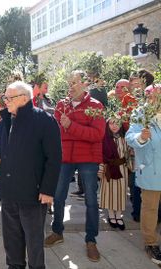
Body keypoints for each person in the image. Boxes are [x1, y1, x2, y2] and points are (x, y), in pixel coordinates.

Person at [0, 81, 61, 269]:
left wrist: (47, 190)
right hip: (9, 192)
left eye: (9, 97)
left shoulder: (44, 120)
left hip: (33, 193)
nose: (5, 101)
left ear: (24, 98)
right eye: (5, 97)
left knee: (33, 241)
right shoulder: (6, 120)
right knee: (12, 239)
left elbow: (54, 159)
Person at [45, 70, 105, 262]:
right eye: (69, 83)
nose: (70, 86)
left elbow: (98, 135)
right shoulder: (62, 105)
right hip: (64, 158)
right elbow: (56, 132)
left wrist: (71, 126)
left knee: (91, 201)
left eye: (75, 82)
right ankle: (57, 232)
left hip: (88, 158)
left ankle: (91, 240)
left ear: (85, 84)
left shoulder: (96, 106)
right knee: (59, 196)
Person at [126, 84, 161, 266]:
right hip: (151, 169)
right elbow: (129, 136)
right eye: (154, 95)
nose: (156, 99)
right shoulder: (141, 113)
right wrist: (141, 137)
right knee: (150, 208)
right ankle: (151, 242)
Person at [98, 118, 130, 230]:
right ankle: (111, 215)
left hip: (122, 169)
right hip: (108, 169)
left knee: (121, 192)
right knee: (109, 192)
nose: (114, 126)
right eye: (111, 123)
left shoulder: (125, 138)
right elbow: (101, 155)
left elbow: (129, 154)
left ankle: (119, 216)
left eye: (117, 123)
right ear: (107, 124)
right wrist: (101, 169)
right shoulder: (104, 138)